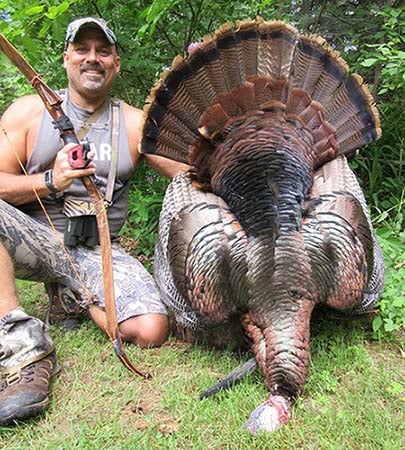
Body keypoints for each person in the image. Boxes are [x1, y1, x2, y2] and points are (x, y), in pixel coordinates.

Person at [0, 17, 188, 426]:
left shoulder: (135, 123)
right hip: (39, 239)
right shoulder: (29, 113)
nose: (92, 58)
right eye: (82, 49)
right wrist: (52, 179)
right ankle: (21, 343)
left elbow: (188, 168)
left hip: (97, 249)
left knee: (152, 330)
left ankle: (74, 298)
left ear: (116, 63)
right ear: (66, 57)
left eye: (103, 51)